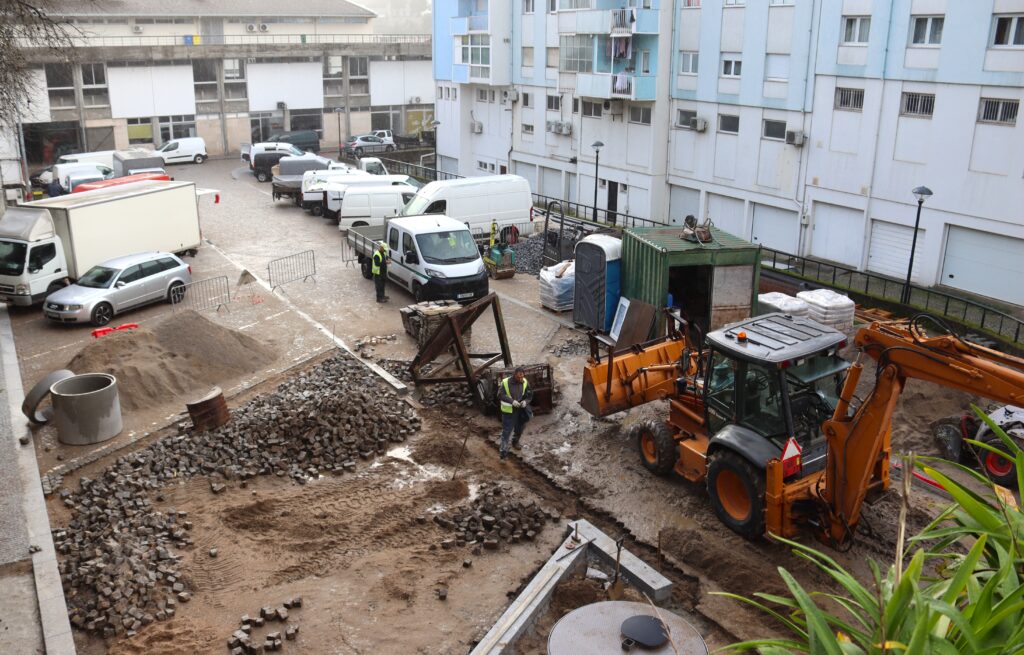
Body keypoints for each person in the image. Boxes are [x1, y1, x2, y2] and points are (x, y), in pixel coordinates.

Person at [497, 367, 532, 460]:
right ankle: (503, 454)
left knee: (520, 428)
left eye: (522, 377)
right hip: (509, 412)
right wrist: (512, 401)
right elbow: (500, 395)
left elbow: (529, 394)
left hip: (520, 409)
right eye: (518, 378)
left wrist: (526, 401)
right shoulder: (505, 382)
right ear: (514, 375)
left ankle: (515, 442)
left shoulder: (524, 381)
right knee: (506, 432)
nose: (521, 379)